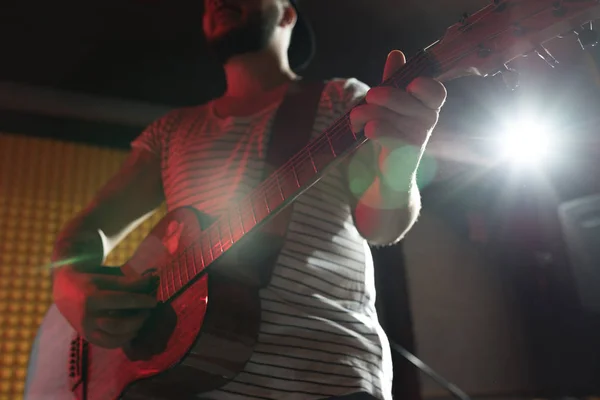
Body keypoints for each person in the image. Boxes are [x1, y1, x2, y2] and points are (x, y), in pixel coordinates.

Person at [50, 0, 447, 399]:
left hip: (328, 372)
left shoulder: (342, 99)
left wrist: (401, 159)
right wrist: (69, 285)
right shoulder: (170, 131)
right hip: (180, 383)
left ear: (287, 13)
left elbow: (381, 225)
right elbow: (91, 227)